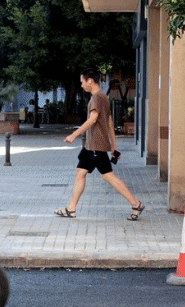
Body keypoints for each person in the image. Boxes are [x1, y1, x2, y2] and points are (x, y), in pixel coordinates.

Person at [55, 68, 145, 221]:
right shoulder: (103, 97)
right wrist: (113, 146)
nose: (82, 85)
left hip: (96, 145)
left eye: (82, 82)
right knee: (80, 172)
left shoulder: (97, 97)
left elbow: (92, 120)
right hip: (91, 146)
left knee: (108, 176)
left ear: (90, 81)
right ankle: (71, 209)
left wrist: (74, 135)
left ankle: (136, 203)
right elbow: (109, 123)